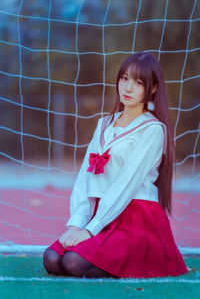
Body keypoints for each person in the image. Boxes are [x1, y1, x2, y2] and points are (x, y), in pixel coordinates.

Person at [43, 52, 188, 278]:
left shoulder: (153, 130)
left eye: (138, 82)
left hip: (137, 219)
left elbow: (126, 184)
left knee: (72, 262)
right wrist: (77, 224)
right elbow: (85, 177)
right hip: (103, 214)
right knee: (51, 259)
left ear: (152, 89)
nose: (128, 88)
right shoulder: (104, 124)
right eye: (124, 78)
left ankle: (142, 259)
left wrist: (91, 229)